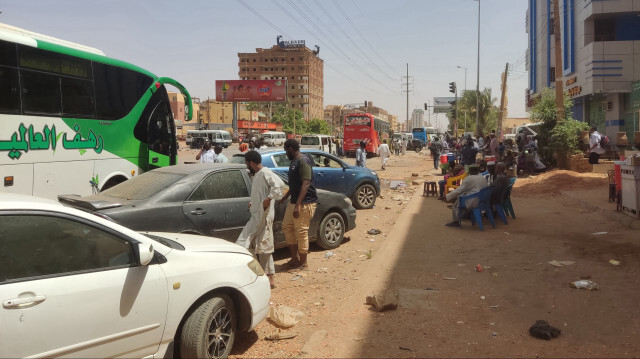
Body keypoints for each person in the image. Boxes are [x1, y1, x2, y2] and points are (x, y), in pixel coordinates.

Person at [236, 150, 285, 289]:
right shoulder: (258, 175)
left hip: (264, 214)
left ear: (251, 163)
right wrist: (255, 201)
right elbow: (260, 192)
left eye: (247, 163)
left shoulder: (265, 172)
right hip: (257, 213)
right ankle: (259, 276)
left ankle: (268, 278)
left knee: (256, 243)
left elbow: (279, 185)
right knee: (257, 245)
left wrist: (268, 199)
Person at [280, 139, 318, 271]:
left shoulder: (303, 161)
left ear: (290, 149)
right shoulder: (294, 162)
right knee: (287, 226)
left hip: (304, 203)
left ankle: (303, 263)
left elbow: (306, 183)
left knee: (301, 231)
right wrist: (285, 197)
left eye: (286, 150)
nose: (286, 154)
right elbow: (294, 185)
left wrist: (298, 204)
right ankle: (294, 259)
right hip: (294, 202)